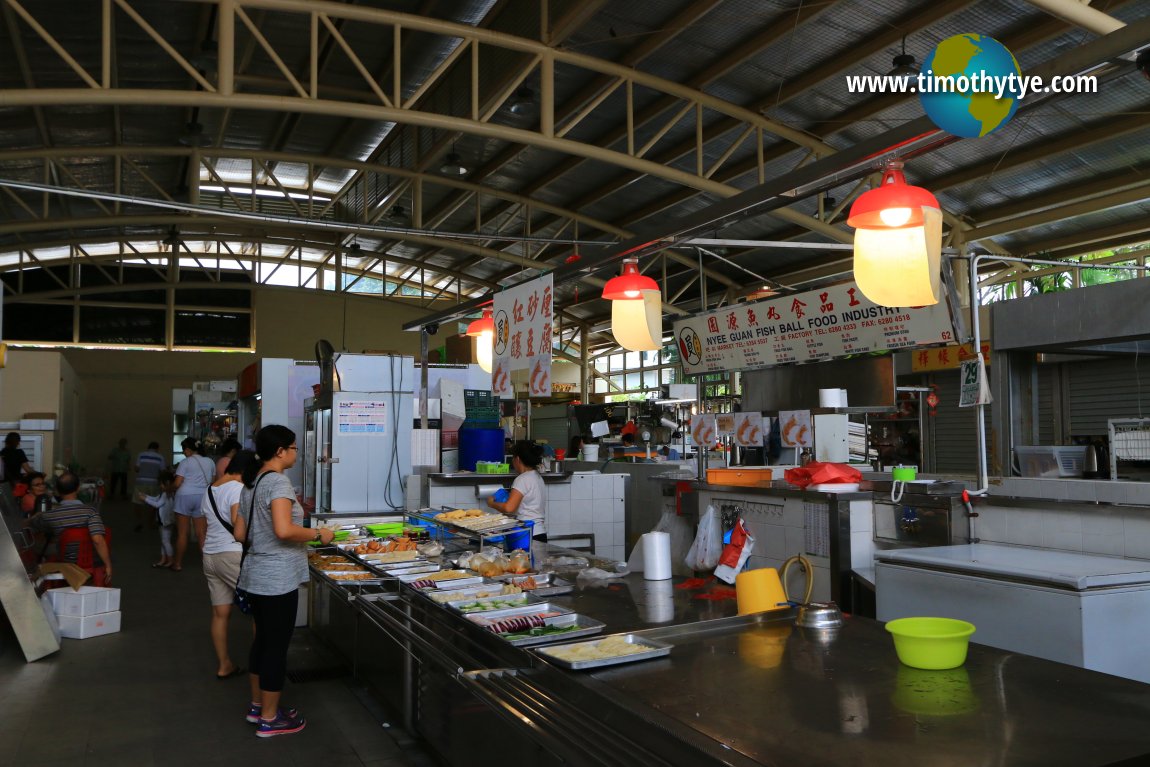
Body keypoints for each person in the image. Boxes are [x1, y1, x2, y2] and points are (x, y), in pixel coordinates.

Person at [234, 425, 334, 737]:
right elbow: (283, 530)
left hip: (255, 573)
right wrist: (319, 535)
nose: (296, 453)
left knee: (262, 642)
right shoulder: (277, 483)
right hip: (277, 578)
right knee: (276, 647)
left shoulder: (250, 483)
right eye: (293, 448)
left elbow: (240, 533)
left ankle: (257, 705)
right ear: (280, 452)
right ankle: (270, 718)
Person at [201, 449, 255, 680]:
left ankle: (225, 665)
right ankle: (259, 668)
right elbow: (238, 527)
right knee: (259, 611)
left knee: (220, 613)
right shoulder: (237, 489)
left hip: (210, 556)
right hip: (231, 555)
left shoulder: (211, 490)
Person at [28, 472, 113, 585]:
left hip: (64, 560)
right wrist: (108, 565)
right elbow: (98, 540)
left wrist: (36, 515)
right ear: (78, 489)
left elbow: (31, 527)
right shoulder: (91, 512)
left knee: (38, 546)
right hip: (90, 561)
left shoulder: (50, 515)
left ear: (57, 491)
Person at [486, 440, 547, 543]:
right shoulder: (537, 477)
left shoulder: (522, 479)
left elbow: (509, 508)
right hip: (540, 533)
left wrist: (491, 503)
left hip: (526, 534)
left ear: (517, 459)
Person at [171, 438, 216, 572]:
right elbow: (212, 482)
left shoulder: (185, 462)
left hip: (184, 497)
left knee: (182, 533)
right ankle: (207, 566)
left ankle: (177, 564)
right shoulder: (210, 461)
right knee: (202, 533)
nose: (184, 453)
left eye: (184, 450)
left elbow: (177, 483)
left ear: (189, 449)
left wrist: (168, 488)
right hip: (202, 497)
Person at [139, 470, 177, 569]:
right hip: (167, 521)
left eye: (161, 484)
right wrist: (146, 496)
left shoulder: (166, 494)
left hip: (165, 522)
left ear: (167, 483)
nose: (160, 486)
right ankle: (163, 559)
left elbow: (157, 504)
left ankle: (170, 560)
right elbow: (156, 499)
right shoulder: (168, 493)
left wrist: (145, 499)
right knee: (164, 541)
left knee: (166, 542)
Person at [133, 441, 166, 532]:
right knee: (153, 503)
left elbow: (136, 468)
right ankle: (150, 524)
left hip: (141, 481)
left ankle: (139, 522)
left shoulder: (141, 455)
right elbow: (163, 471)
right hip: (154, 483)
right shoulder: (160, 457)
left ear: (148, 447)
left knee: (138, 503)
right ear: (157, 449)